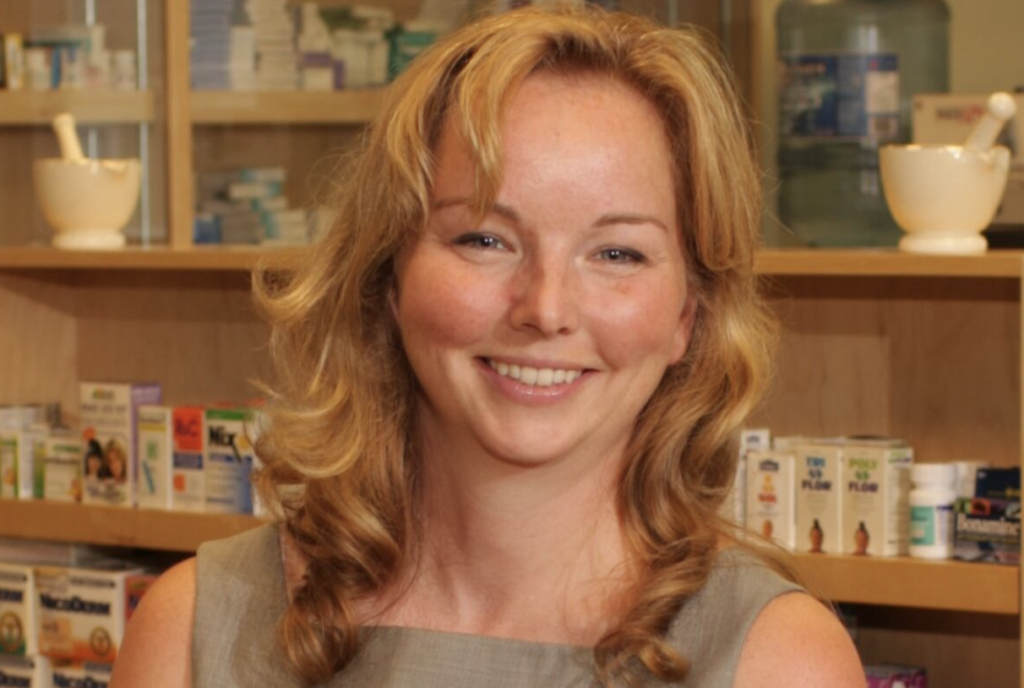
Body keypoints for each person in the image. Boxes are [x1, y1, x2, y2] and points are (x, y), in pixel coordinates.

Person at [111, 6, 864, 688]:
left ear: (687, 317)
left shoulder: (778, 661)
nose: (544, 308)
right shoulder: (197, 630)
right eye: (485, 238)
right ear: (388, 276)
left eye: (617, 254)